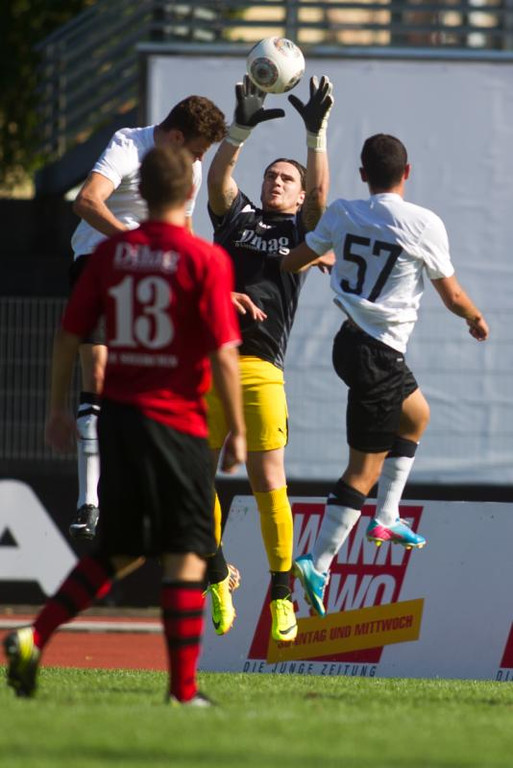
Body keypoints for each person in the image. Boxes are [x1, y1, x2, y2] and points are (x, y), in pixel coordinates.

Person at [3, 146, 245, 705]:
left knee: (118, 550)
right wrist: (234, 429)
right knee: (187, 552)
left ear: (143, 193)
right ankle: (183, 690)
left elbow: (71, 335)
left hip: (120, 422)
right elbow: (224, 356)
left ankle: (33, 635)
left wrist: (57, 409)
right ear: (189, 192)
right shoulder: (203, 259)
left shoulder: (110, 255)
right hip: (177, 423)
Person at [281, 133, 489, 616]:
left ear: (363, 174)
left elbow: (293, 260)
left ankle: (388, 515)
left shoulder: (343, 212)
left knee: (416, 416)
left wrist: (312, 253)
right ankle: (318, 561)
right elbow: (453, 295)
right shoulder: (424, 223)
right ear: (407, 172)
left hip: (350, 345)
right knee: (363, 470)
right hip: (378, 356)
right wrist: (475, 317)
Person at [204, 74, 334, 643]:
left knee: (268, 479)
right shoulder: (237, 218)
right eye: (272, 176)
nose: (277, 182)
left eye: (287, 179)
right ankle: (216, 575)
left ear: (299, 196)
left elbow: (322, 202)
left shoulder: (300, 230)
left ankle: (281, 595)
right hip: (209, 362)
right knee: (194, 477)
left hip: (260, 368)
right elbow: (217, 181)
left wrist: (315, 135)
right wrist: (238, 130)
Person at [68, 95, 227, 541]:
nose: (199, 161)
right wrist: (134, 244)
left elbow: (184, 229)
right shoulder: (128, 145)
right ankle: (89, 502)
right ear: (175, 137)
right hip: (102, 266)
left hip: (155, 278)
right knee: (98, 379)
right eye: (197, 151)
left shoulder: (188, 168)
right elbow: (87, 201)